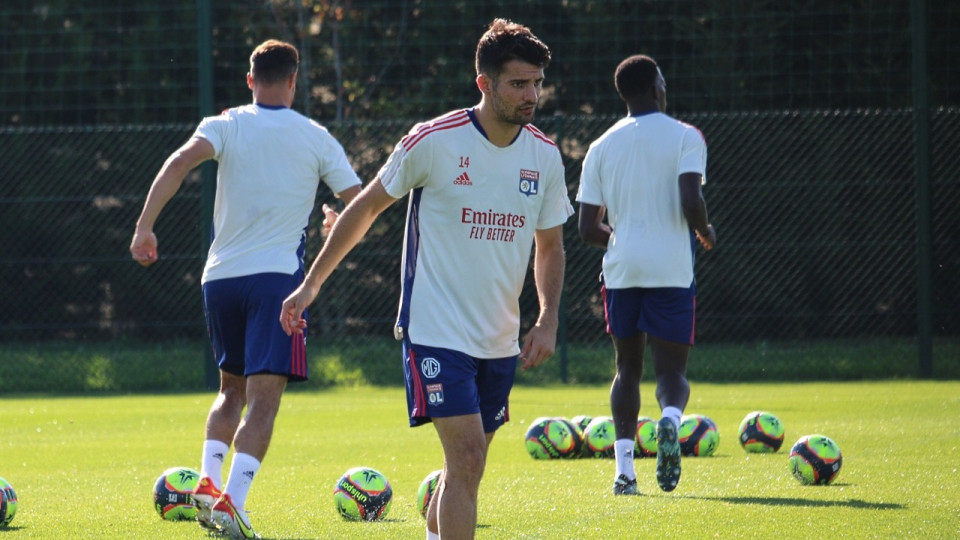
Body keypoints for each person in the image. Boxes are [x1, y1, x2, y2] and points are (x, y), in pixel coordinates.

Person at [280, 19, 572, 540]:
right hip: (435, 330)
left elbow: (549, 245)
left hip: (499, 339)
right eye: (518, 84)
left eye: (537, 83)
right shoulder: (434, 141)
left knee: (468, 466)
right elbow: (366, 207)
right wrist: (311, 284)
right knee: (464, 460)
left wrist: (547, 319)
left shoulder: (545, 155)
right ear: (483, 83)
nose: (532, 95)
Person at [129, 39, 362, 539]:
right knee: (264, 400)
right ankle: (232, 503)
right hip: (277, 281)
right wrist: (336, 219)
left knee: (228, 391)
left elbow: (178, 162)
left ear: (250, 79)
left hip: (220, 278)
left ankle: (210, 489)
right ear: (295, 81)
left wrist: (145, 226)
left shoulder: (227, 123)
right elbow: (360, 201)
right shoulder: (316, 136)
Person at [575, 54, 716, 496]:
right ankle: (670, 422)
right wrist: (705, 229)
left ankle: (624, 474)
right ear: (657, 85)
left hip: (621, 271)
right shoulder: (685, 136)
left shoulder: (599, 146)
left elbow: (585, 228)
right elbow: (691, 199)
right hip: (670, 268)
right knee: (671, 371)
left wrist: (619, 239)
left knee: (627, 369)